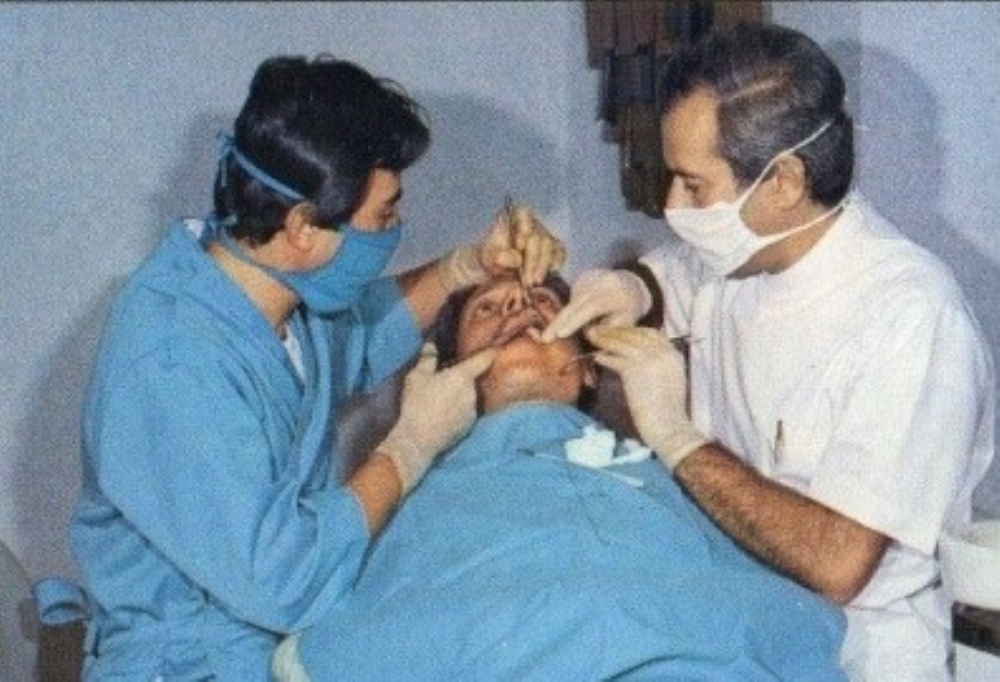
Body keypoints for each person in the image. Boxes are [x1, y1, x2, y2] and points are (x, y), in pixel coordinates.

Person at [68, 55, 564, 680]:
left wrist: (463, 269)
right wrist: (410, 447)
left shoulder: (274, 293)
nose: (395, 229)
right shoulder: (172, 365)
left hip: (284, 643)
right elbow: (285, 579)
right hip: (194, 663)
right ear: (303, 227)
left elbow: (361, 336)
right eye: (383, 216)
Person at [542, 22, 995, 680]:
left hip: (854, 649)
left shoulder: (911, 318)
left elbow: (837, 563)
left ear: (783, 182)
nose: (672, 206)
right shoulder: (748, 246)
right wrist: (631, 287)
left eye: (693, 185)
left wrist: (676, 436)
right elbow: (678, 271)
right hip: (739, 609)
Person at [271, 272, 846, 681]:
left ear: (590, 370)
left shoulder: (661, 470)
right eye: (486, 311)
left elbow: (784, 610)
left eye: (542, 304)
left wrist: (674, 433)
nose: (517, 311)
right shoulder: (416, 489)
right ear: (449, 371)